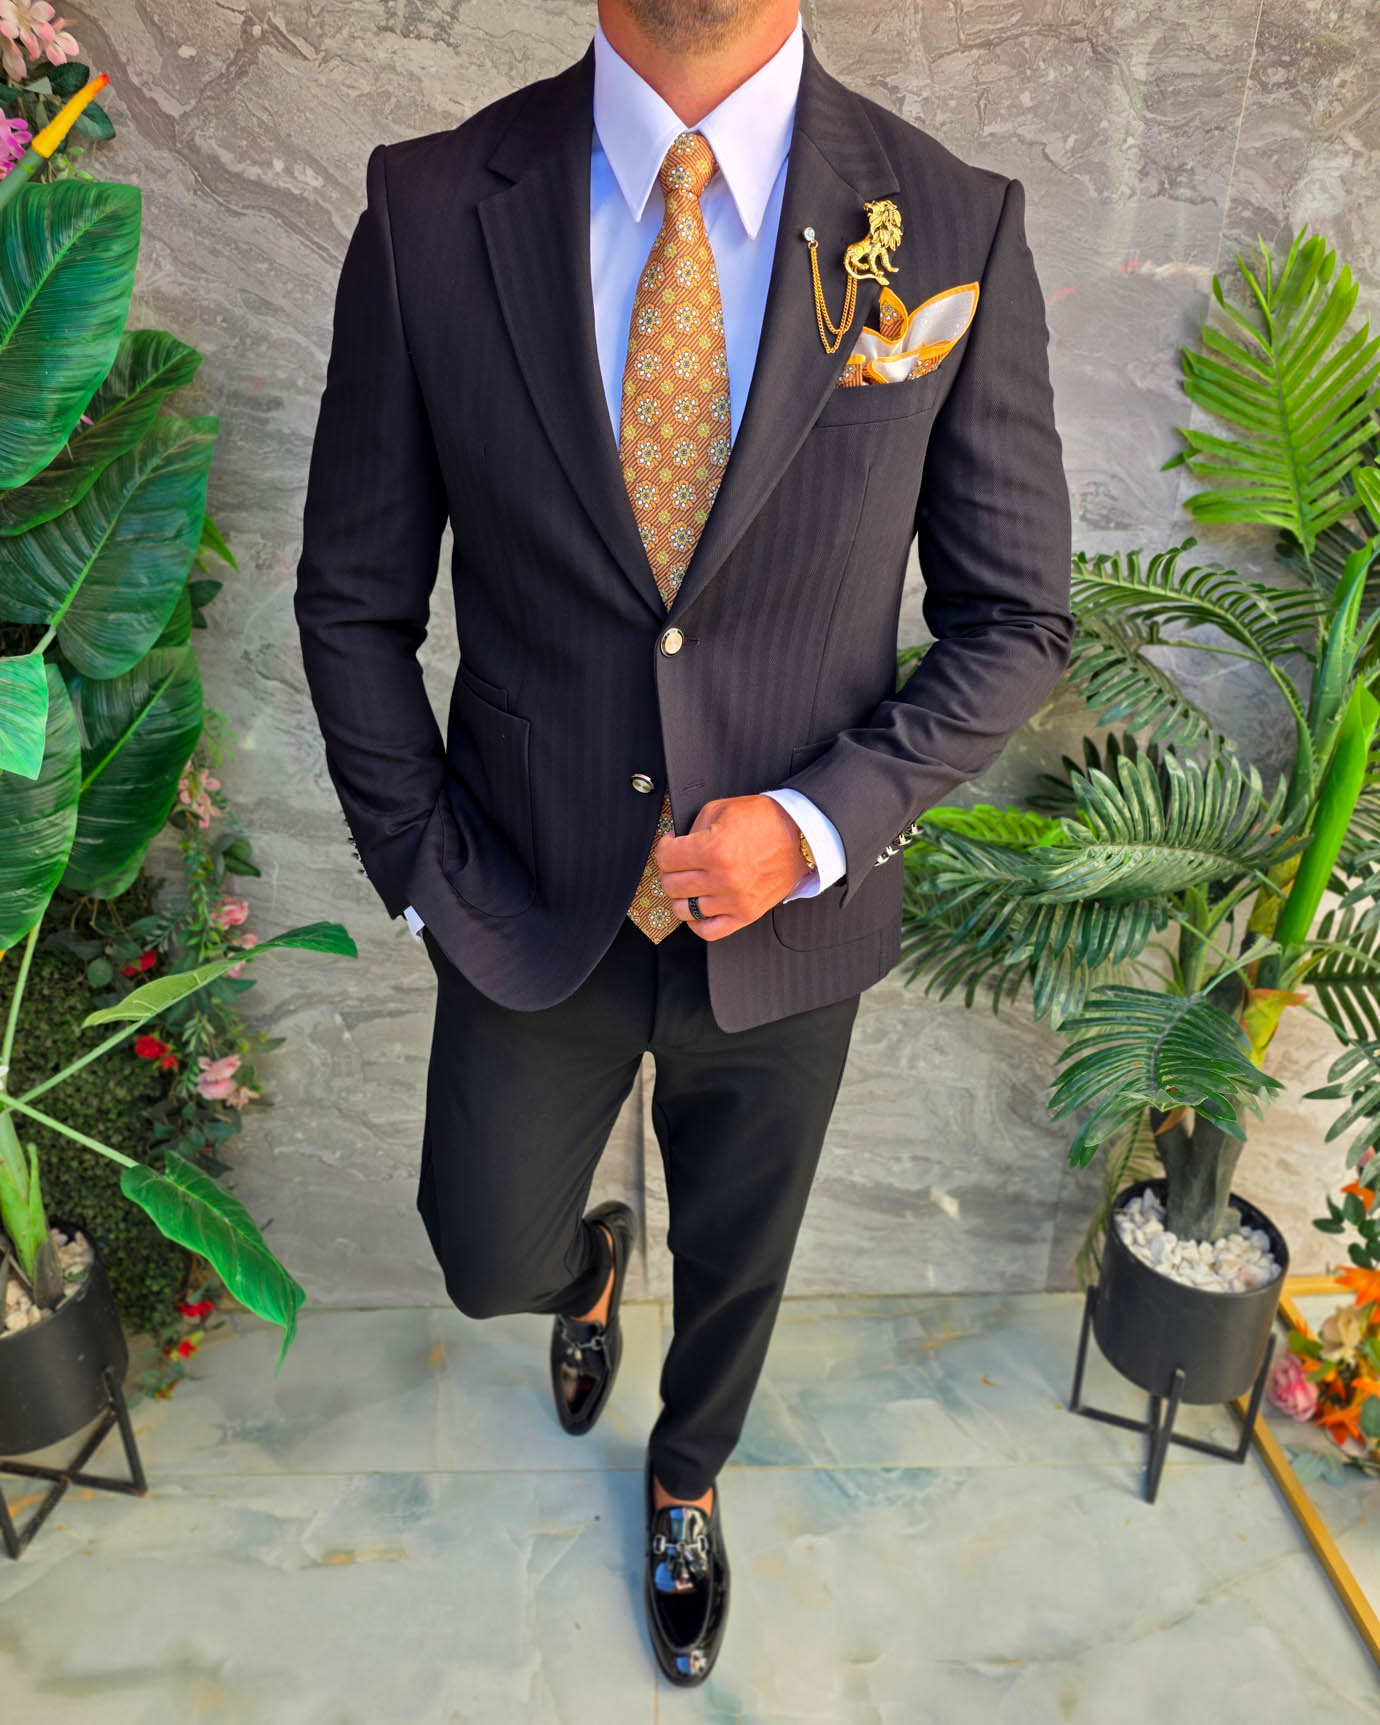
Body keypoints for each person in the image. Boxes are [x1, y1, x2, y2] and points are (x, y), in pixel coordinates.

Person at [294, 0, 1072, 1687]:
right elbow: (353, 600)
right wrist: (425, 871)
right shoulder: (430, 207)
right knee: (482, 1253)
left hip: (790, 923)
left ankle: (688, 1472)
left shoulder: (951, 220)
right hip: (524, 893)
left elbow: (1016, 617)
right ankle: (585, 1268)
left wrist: (819, 824)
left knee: (741, 1256)